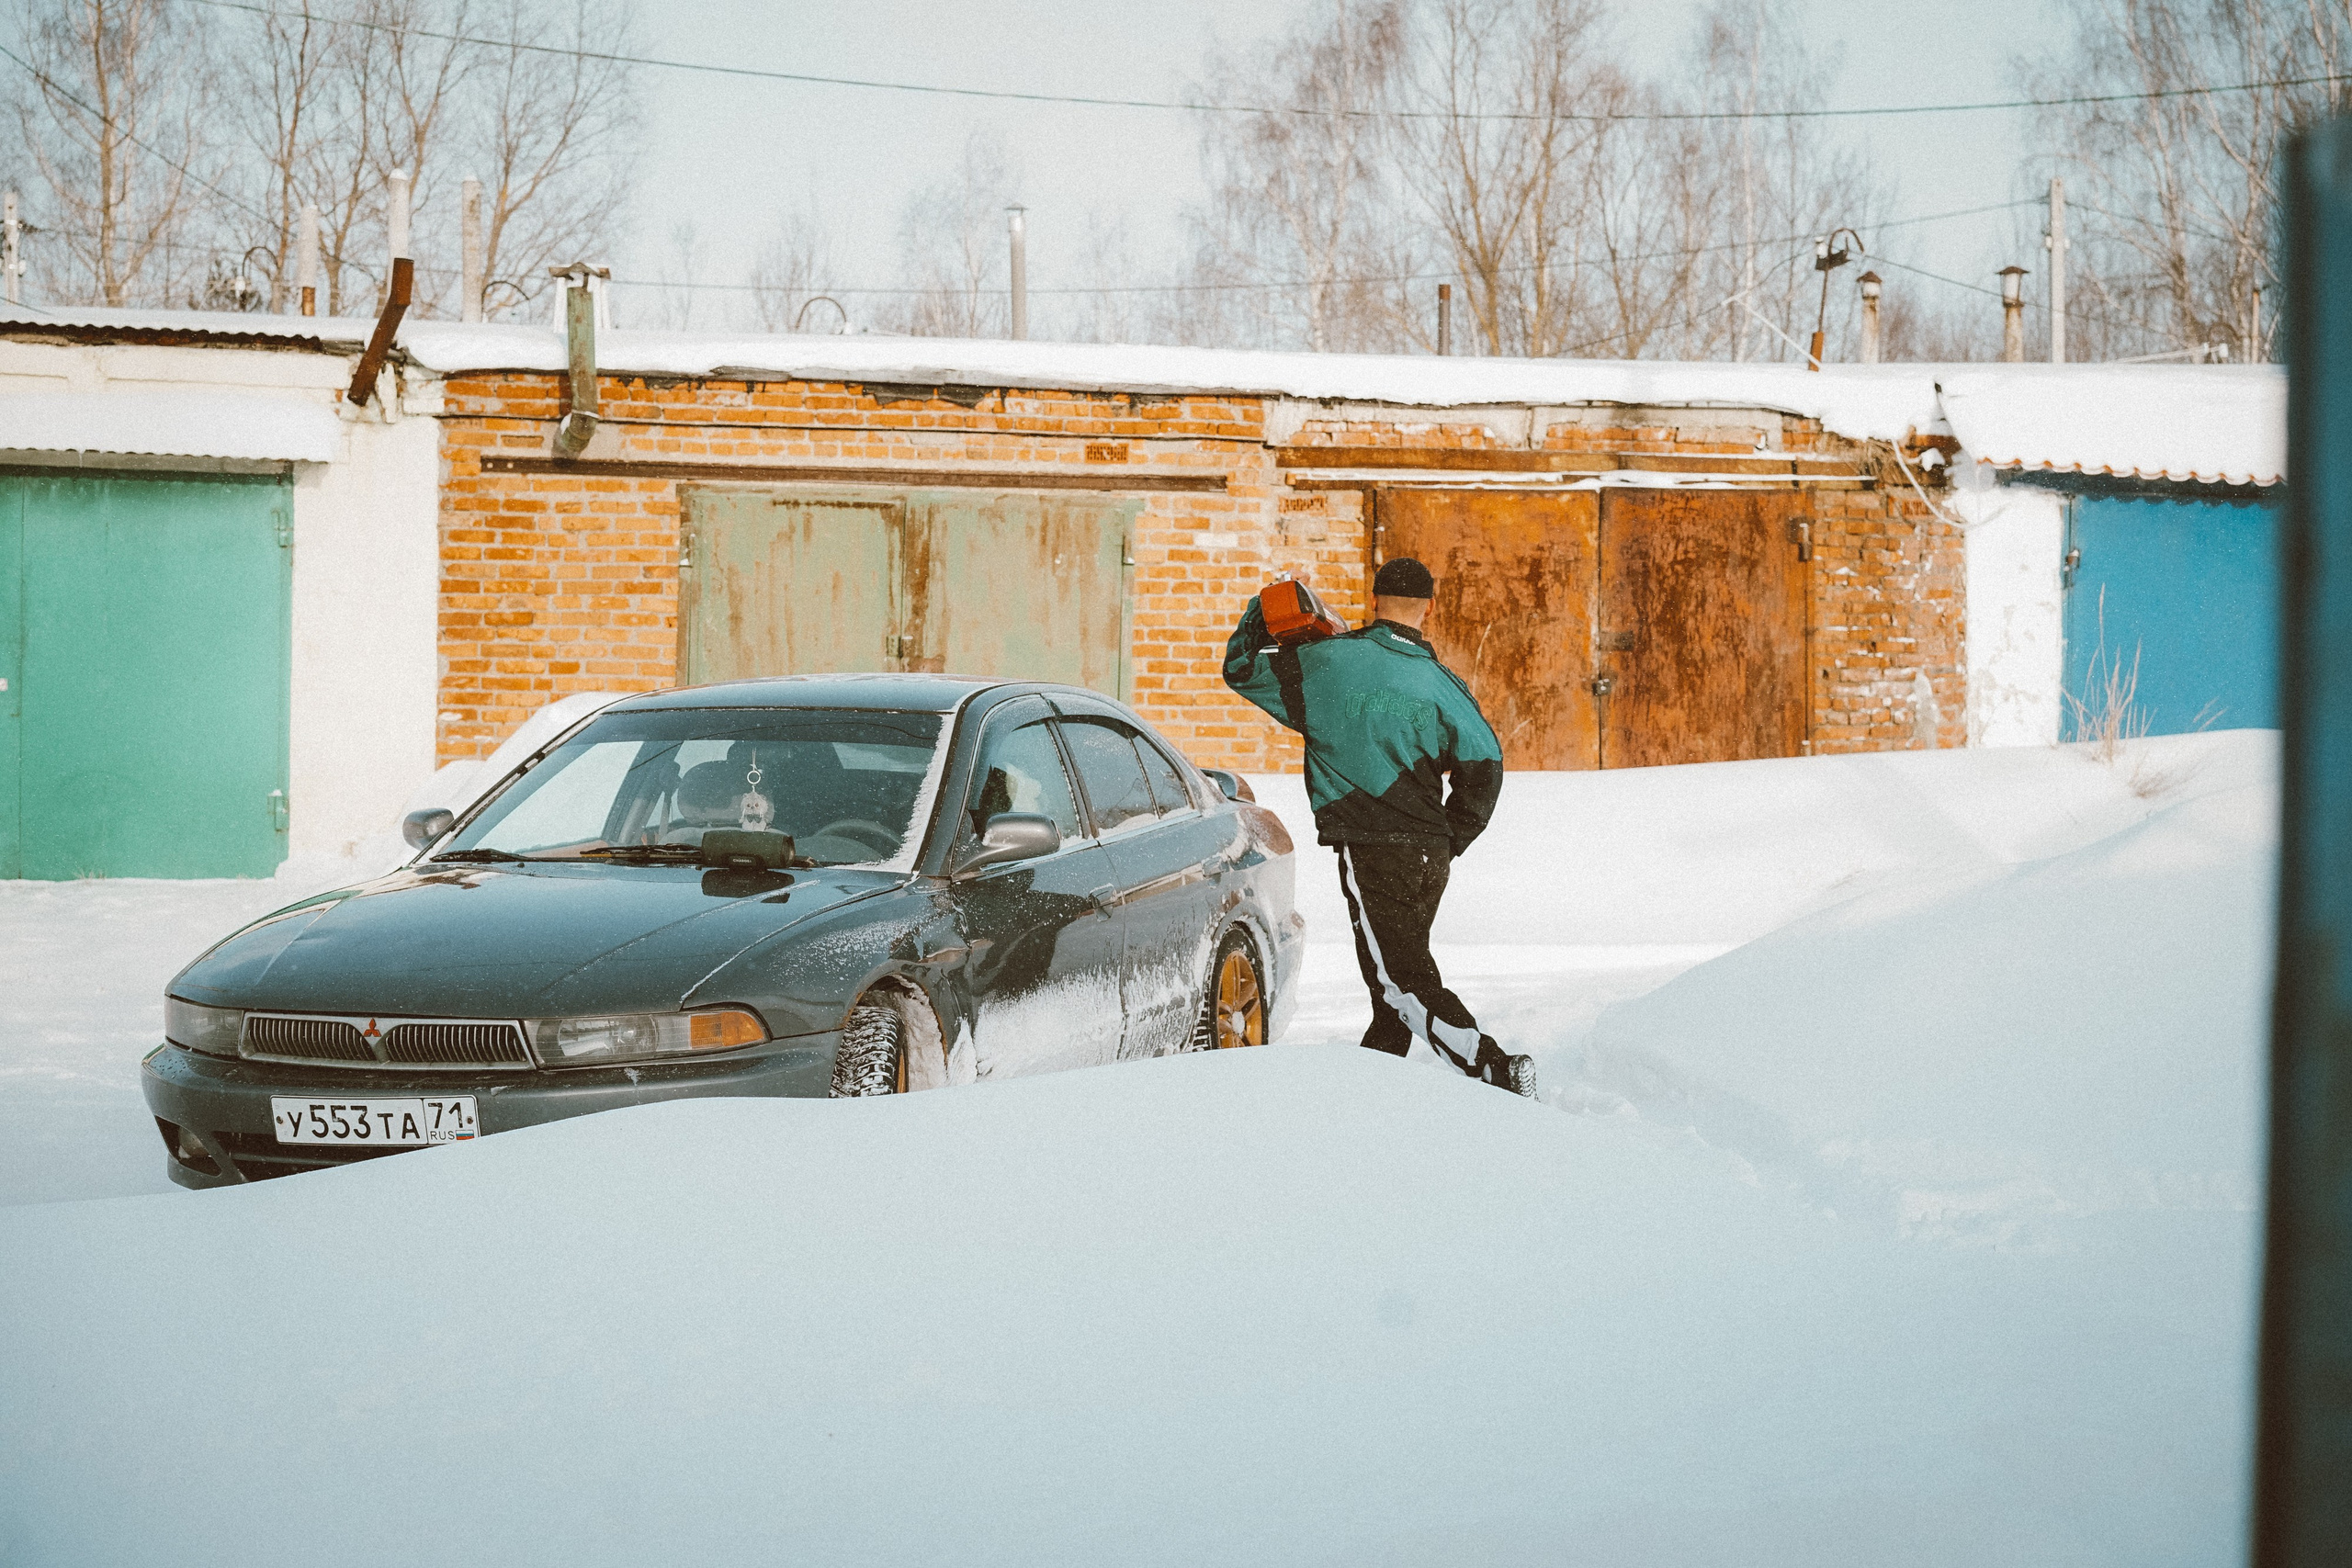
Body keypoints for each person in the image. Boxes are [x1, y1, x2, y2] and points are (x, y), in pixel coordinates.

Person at [1222, 557, 1534, 1097]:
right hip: (1430, 854)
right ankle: (1373, 1088)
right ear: (1429, 608)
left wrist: (1261, 610)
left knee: (1400, 980)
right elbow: (1486, 764)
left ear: (1373, 600)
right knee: (1391, 974)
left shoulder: (1325, 662)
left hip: (1373, 845)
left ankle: (1494, 1068)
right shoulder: (1442, 683)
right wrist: (1451, 836)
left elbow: (1242, 669)